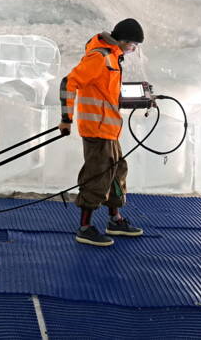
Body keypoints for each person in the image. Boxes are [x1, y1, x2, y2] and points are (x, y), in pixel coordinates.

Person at [58, 18, 145, 246]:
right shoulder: (100, 57)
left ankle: (114, 219)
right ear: (124, 41)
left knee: (117, 172)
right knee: (97, 175)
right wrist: (66, 119)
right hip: (96, 129)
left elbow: (107, 95)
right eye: (133, 44)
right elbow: (69, 82)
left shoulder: (114, 57)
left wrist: (143, 102)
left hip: (109, 129)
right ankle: (85, 227)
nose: (134, 49)